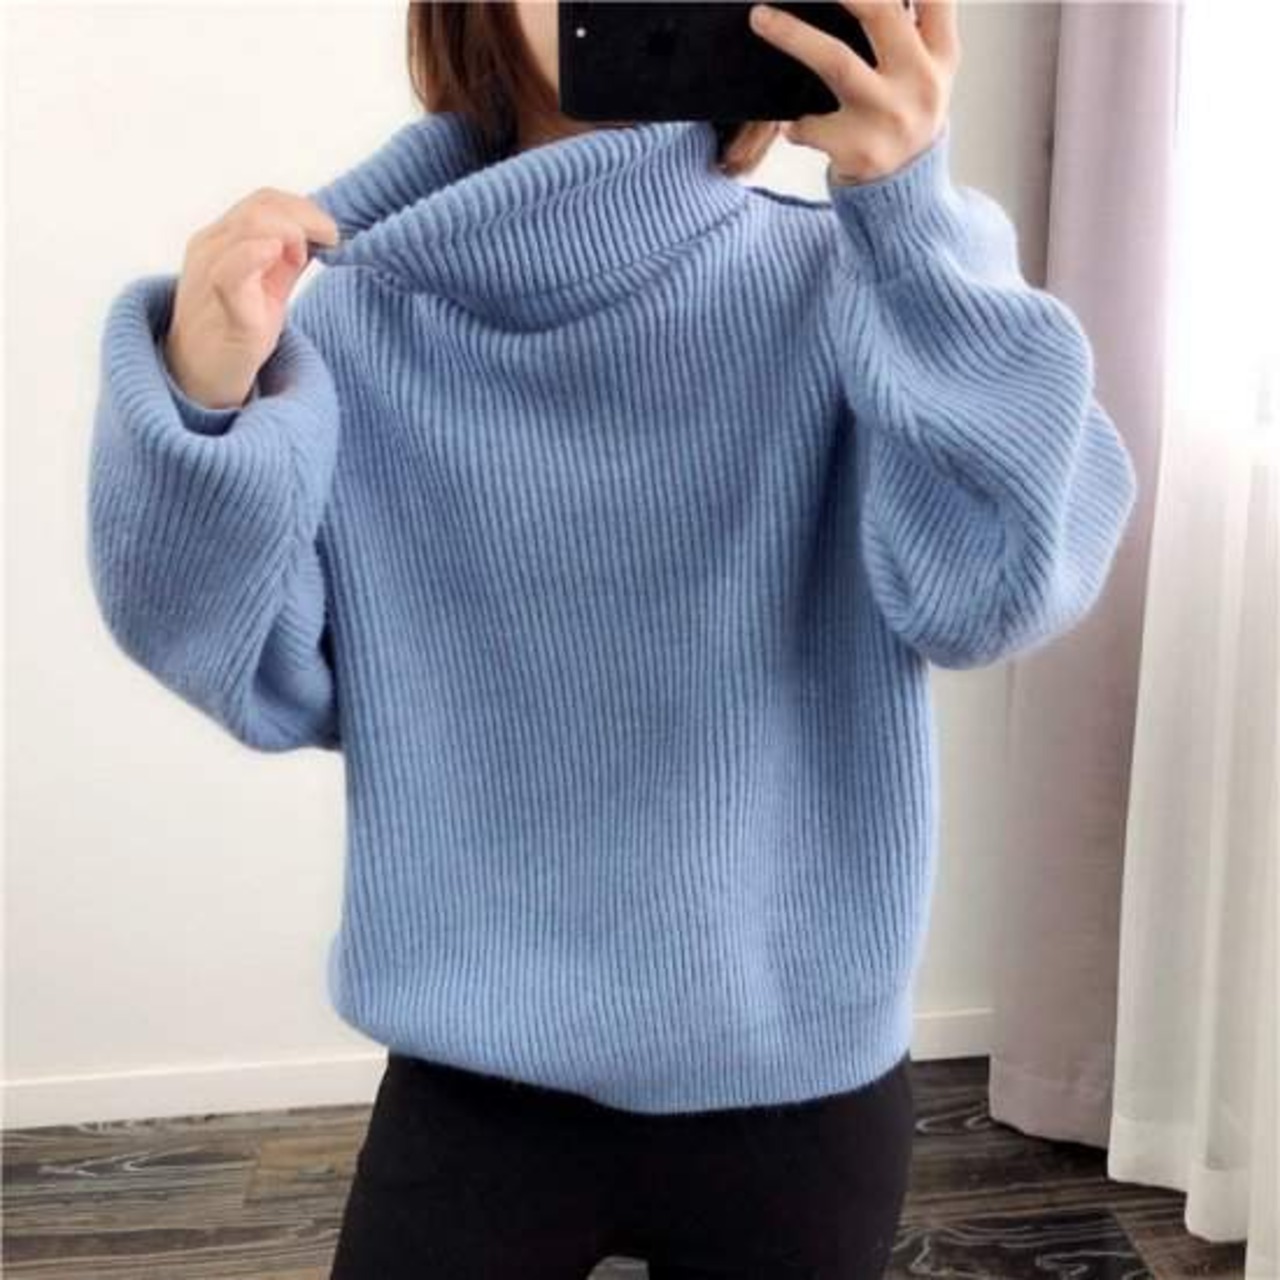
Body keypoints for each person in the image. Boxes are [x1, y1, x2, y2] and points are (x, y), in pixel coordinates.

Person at [85, 1, 1138, 1276]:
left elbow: (994, 590)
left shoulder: (857, 289)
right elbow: (261, 673)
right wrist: (202, 402)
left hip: (794, 1083)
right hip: (476, 1078)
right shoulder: (340, 324)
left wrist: (911, 220)